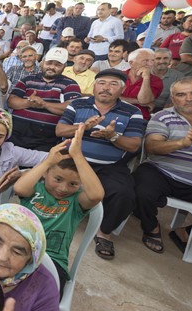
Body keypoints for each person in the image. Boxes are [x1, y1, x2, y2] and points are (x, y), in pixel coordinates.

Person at [56, 69, 145, 260]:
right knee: (50, 178)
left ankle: (104, 232)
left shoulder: (133, 112)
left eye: (113, 84)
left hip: (109, 165)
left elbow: (134, 144)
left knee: (124, 193)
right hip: (72, 159)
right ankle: (53, 215)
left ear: (122, 89)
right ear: (94, 86)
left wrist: (112, 136)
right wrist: (83, 127)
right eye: (102, 83)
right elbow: (60, 130)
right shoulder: (78, 104)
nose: (106, 88)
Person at [15, 124, 104, 296]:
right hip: (18, 251)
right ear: (44, 174)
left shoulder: (76, 202)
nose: (63, 188)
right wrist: (48, 161)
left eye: (73, 184)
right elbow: (19, 188)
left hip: (52, 262)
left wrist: (78, 156)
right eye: (57, 179)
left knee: (39, 299)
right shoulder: (35, 189)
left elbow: (96, 195)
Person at [133, 77, 192, 254]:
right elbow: (152, 147)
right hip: (163, 172)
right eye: (182, 95)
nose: (189, 98)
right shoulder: (163, 116)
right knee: (140, 188)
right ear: (173, 99)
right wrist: (181, 143)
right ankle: (151, 227)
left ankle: (183, 232)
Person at [7, 47, 82, 152]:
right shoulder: (28, 80)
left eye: (57, 65)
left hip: (46, 138)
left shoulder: (70, 84)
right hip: (17, 133)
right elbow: (11, 101)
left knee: (38, 167)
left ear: (64, 66)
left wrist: (44, 104)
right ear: (42, 63)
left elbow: (72, 109)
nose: (51, 67)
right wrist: (29, 103)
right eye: (49, 63)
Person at [122, 48, 163, 121]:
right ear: (131, 63)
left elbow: (144, 101)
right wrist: (136, 101)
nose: (150, 64)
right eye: (146, 60)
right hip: (115, 114)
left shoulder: (156, 80)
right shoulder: (119, 76)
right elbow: (110, 97)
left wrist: (146, 78)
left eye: (152, 60)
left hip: (139, 118)